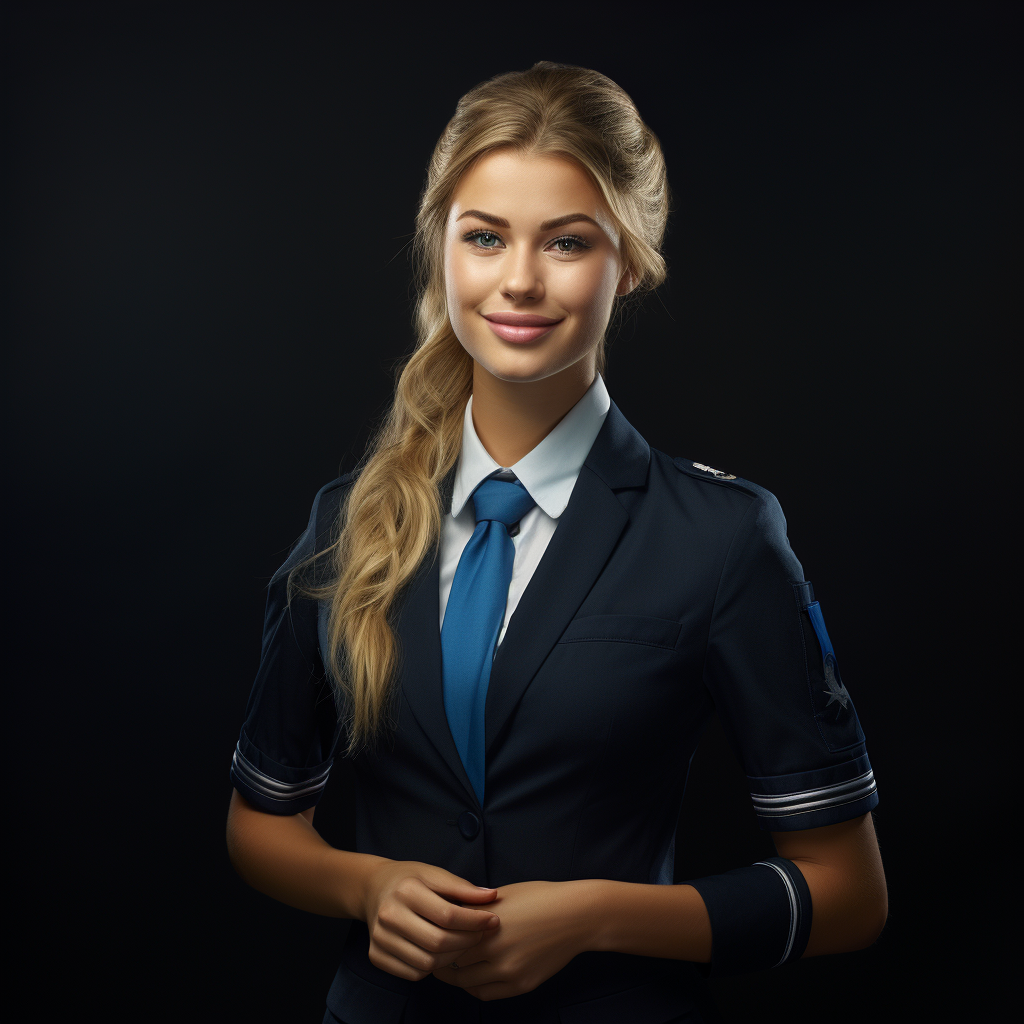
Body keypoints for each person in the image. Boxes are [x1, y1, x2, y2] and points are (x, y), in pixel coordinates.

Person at [225, 61, 887, 1024]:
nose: (520, 281)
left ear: (632, 260)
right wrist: (364, 888)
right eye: (485, 237)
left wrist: (597, 917)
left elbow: (851, 895)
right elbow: (259, 824)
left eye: (568, 242)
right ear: (441, 250)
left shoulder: (725, 538)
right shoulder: (345, 522)